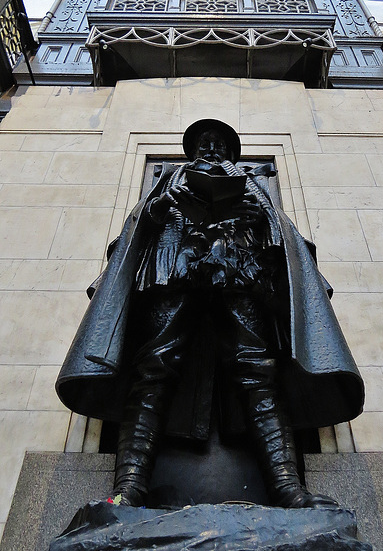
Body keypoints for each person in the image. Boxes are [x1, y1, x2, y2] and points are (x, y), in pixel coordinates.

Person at [56, 119, 364, 510]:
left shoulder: (250, 182)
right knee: (153, 369)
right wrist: (160, 208)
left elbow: (279, 232)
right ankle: (129, 488)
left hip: (239, 272)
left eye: (220, 144)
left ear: (231, 152)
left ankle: (288, 487)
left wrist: (259, 218)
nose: (212, 148)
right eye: (205, 142)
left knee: (258, 373)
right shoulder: (172, 177)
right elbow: (139, 223)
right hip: (174, 270)